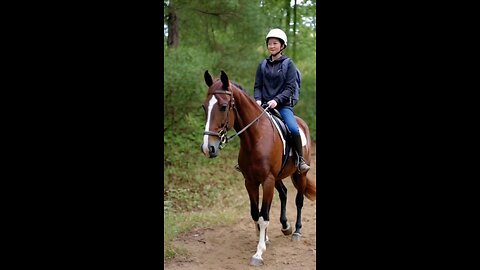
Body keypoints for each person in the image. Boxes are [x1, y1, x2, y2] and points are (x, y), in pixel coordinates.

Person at [253, 28, 310, 173]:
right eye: (269, 43)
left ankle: (300, 160)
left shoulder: (288, 64)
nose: (271, 46)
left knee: (293, 128)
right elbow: (258, 86)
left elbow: (290, 88)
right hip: (264, 106)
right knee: (249, 127)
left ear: (282, 45)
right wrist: (258, 99)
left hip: (283, 106)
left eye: (275, 43)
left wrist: (277, 100)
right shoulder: (262, 65)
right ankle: (245, 161)